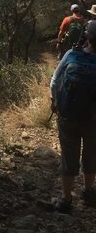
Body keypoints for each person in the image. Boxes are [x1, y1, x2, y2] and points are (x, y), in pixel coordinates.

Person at [50, 20, 96, 213]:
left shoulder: (71, 54)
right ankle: (88, 191)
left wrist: (55, 103)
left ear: (87, 36)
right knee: (92, 154)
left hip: (68, 115)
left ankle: (66, 199)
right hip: (94, 118)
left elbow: (54, 82)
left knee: (69, 156)